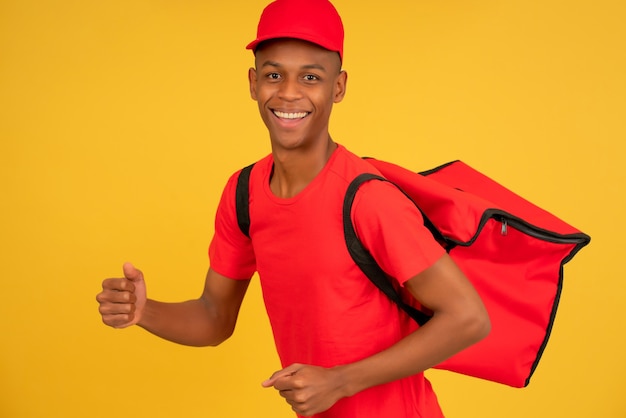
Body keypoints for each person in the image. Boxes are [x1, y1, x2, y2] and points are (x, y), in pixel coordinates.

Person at [96, 0, 491, 417]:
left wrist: (339, 381)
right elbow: (214, 316)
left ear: (337, 87)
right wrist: (145, 311)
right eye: (273, 74)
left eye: (310, 77)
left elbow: (468, 318)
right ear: (253, 83)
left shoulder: (367, 200)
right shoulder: (243, 193)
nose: (288, 92)